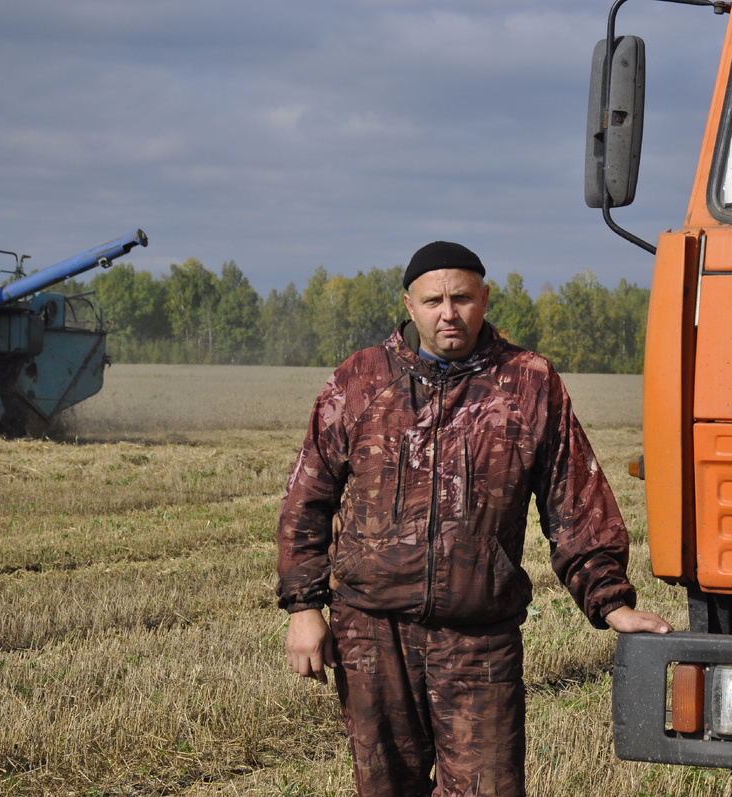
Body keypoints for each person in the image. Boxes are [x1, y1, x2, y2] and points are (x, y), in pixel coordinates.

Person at [276, 240, 671, 797]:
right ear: (409, 305)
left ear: (484, 299)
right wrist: (303, 608)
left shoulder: (528, 383)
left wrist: (612, 602)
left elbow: (573, 498)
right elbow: (307, 498)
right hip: (371, 633)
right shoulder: (360, 380)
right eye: (433, 299)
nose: (448, 312)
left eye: (461, 297)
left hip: (479, 640)